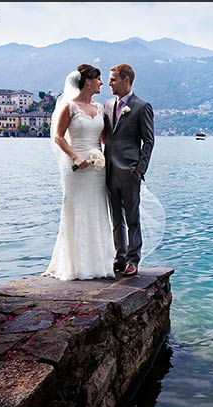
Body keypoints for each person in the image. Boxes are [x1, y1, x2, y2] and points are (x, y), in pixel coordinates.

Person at [44, 64, 115, 281]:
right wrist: (75, 156)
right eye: (99, 79)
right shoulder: (69, 107)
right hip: (75, 167)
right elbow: (58, 137)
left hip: (96, 168)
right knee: (76, 208)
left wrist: (110, 153)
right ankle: (75, 265)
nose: (102, 83)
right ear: (88, 81)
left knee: (97, 209)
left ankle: (99, 263)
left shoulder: (100, 108)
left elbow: (103, 139)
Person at [103, 63, 155, 277]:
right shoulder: (106, 105)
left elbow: (149, 141)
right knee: (116, 217)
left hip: (130, 171)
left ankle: (133, 260)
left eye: (113, 79)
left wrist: (139, 170)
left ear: (126, 80)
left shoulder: (142, 106)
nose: (109, 83)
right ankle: (120, 256)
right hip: (108, 170)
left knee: (132, 218)